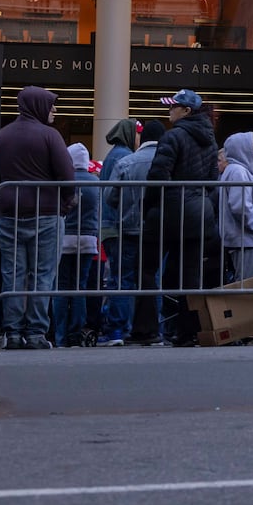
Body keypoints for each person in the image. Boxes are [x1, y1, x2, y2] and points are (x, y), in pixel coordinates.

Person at [0, 86, 75, 350]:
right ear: (38, 106)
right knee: (43, 274)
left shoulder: (1, 136)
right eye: (51, 105)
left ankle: (11, 332)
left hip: (10, 215)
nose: (54, 111)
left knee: (13, 273)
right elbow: (67, 176)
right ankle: (35, 332)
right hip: (46, 214)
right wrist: (65, 202)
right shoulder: (50, 136)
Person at [145, 89, 220, 345]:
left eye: (173, 107)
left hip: (170, 212)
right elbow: (212, 180)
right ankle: (188, 331)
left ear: (186, 111)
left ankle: (146, 329)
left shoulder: (173, 136)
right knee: (191, 274)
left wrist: (150, 207)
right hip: (199, 212)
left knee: (146, 269)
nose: (170, 111)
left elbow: (158, 176)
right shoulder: (210, 140)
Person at [99, 119, 162, 346]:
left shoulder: (125, 162)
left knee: (122, 280)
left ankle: (118, 330)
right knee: (153, 280)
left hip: (127, 228)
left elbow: (110, 197)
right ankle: (156, 328)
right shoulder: (167, 162)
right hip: (156, 231)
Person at [52, 143, 100, 347]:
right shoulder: (95, 182)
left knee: (62, 286)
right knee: (80, 286)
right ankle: (76, 333)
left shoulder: (63, 181)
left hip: (64, 239)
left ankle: (60, 334)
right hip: (88, 239)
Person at [217, 132, 253, 283]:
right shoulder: (238, 171)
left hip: (249, 239)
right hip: (248, 240)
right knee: (248, 288)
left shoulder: (241, 171)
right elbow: (241, 207)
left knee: (249, 286)